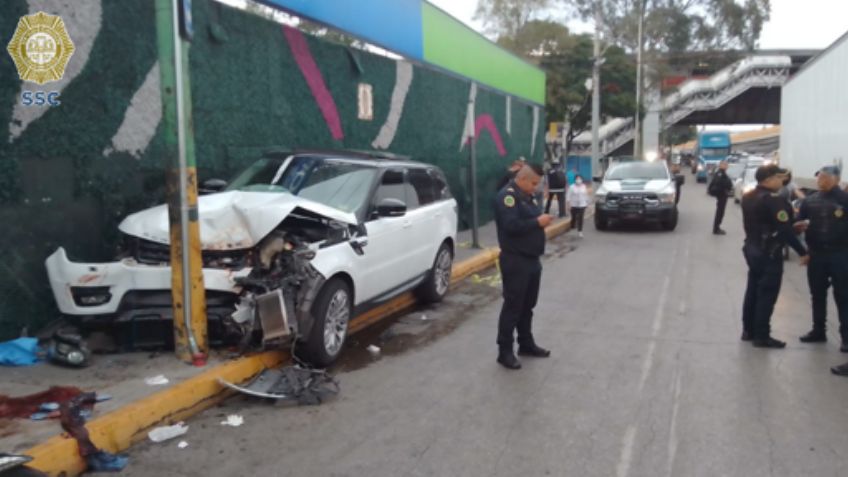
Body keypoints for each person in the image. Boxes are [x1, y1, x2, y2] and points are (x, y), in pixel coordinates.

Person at [740, 164, 809, 348]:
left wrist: (790, 227)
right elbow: (784, 231)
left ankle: (748, 331)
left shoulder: (749, 196)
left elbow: (765, 224)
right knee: (767, 295)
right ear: (768, 179)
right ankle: (762, 336)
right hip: (769, 253)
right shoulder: (773, 200)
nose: (782, 181)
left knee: (753, 291)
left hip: (752, 249)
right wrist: (803, 252)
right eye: (779, 178)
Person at [493, 164, 553, 369]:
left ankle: (526, 344)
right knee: (513, 306)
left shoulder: (528, 196)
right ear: (523, 179)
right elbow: (511, 226)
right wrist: (538, 222)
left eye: (538, 184)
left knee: (528, 306)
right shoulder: (507, 197)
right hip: (515, 260)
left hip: (531, 259)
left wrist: (539, 222)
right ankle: (504, 350)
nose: (536, 188)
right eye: (534, 183)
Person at [793, 166, 848, 350]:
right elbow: (798, 221)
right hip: (817, 255)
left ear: (835, 179)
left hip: (840, 254)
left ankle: (846, 338)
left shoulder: (844, 199)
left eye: (824, 177)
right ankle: (818, 330)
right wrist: (798, 227)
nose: (820, 181)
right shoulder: (810, 201)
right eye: (818, 177)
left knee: (843, 296)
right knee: (817, 294)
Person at [708, 160, 733, 235]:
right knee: (720, 212)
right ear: (721, 165)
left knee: (721, 211)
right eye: (724, 165)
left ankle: (717, 227)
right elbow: (720, 183)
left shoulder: (722, 173)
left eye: (726, 165)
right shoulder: (720, 174)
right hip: (721, 194)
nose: (726, 166)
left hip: (722, 194)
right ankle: (716, 228)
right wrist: (727, 185)